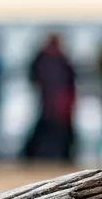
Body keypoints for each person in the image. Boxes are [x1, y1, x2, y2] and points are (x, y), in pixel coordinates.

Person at [24, 32, 78, 164]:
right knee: (50, 128)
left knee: (56, 130)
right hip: (52, 101)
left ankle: (62, 156)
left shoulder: (53, 59)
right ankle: (32, 155)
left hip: (56, 101)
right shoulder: (55, 59)